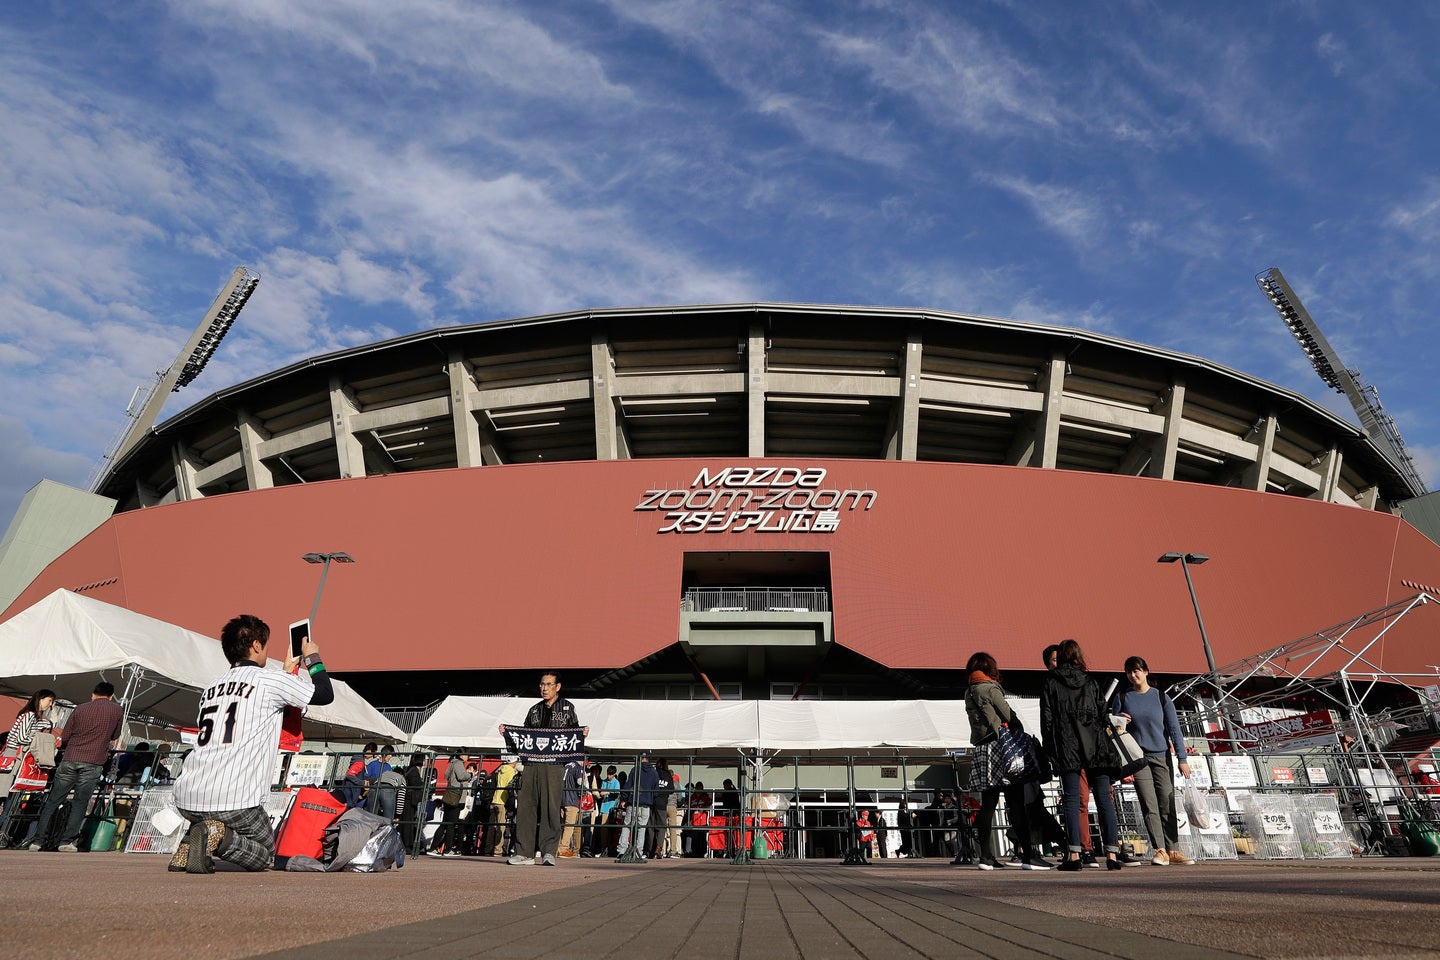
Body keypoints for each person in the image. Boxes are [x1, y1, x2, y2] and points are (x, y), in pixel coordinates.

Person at [167, 616, 334, 872]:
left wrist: (287, 672)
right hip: (234, 797)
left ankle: (187, 848)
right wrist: (312, 657)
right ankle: (216, 834)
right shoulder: (270, 680)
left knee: (210, 813)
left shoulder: (211, 687)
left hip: (187, 795)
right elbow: (324, 694)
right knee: (265, 853)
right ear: (256, 645)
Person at [1041, 638, 1125, 871]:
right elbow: (1103, 714)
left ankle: (1075, 856)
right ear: (1078, 656)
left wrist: (1051, 749)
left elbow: (1047, 719)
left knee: (1071, 800)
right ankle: (1112, 854)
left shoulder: (1051, 682)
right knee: (1104, 799)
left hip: (1067, 746)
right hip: (1096, 745)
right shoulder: (1090, 681)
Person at [964, 652, 1049, 870]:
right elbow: (1007, 714)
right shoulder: (990, 688)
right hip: (1003, 748)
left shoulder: (969, 691)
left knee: (988, 805)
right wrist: (1019, 729)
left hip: (983, 749)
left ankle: (985, 856)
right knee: (1016, 803)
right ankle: (1029, 856)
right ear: (990, 668)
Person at [499, 672, 588, 866]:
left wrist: (583, 734)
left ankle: (549, 851)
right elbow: (522, 738)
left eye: (549, 684)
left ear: (558, 686)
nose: (544, 688)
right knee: (525, 807)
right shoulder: (533, 710)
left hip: (555, 766)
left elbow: (574, 735)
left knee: (551, 808)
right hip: (531, 765)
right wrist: (507, 734)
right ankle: (524, 852)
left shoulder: (567, 708)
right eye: (542, 684)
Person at [23, 682, 123, 853]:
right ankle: (66, 841)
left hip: (71, 757)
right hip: (94, 760)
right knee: (80, 802)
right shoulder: (117, 710)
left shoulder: (80, 708)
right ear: (111, 696)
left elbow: (66, 735)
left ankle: (38, 841)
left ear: (93, 694)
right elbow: (115, 735)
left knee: (54, 800)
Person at [1113, 655, 1194, 866]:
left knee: (1167, 802)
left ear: (1146, 672)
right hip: (1138, 759)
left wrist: (1182, 758)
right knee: (1149, 804)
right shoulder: (1122, 697)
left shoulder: (1160, 697)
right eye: (1129, 672)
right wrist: (1119, 719)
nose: (1134, 675)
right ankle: (1160, 849)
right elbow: (1112, 728)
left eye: (1137, 670)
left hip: (1162, 756)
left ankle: (1173, 849)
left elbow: (1174, 729)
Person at [1044, 643, 1098, 866]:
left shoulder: (1062, 683)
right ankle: (1086, 849)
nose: (1058, 664)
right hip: (1084, 746)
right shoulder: (1076, 682)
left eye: (1060, 659)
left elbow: (1048, 720)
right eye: (1053, 661)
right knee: (1081, 800)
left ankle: (1081, 849)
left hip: (1071, 747)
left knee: (1079, 799)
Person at [1, 688, 56, 812]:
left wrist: (54, 710)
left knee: (9, 791)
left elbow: (53, 724)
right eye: (49, 700)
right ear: (41, 699)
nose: (50, 704)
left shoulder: (36, 718)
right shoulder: (30, 715)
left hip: (18, 755)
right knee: (6, 790)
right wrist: (35, 740)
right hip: (14, 754)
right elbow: (21, 737)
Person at [615, 750, 660, 860]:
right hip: (646, 804)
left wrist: (624, 798)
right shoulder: (654, 772)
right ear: (649, 759)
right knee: (641, 828)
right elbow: (656, 791)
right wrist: (651, 799)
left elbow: (628, 785)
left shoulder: (635, 770)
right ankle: (638, 852)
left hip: (633, 802)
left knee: (627, 826)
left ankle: (622, 850)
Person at [430, 751, 472, 857]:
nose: (468, 756)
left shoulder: (452, 763)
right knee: (451, 825)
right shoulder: (458, 764)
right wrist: (470, 774)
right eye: (467, 754)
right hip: (456, 798)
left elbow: (446, 776)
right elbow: (462, 776)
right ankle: (448, 849)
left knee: (444, 824)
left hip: (449, 796)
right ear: (462, 755)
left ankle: (433, 847)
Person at [485, 755, 519, 856]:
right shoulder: (512, 772)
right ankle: (497, 850)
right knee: (501, 827)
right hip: (502, 802)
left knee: (492, 827)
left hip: (494, 800)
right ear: (513, 763)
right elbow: (510, 788)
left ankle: (487, 849)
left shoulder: (500, 770)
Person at [558, 754, 587, 857]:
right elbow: (580, 781)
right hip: (571, 799)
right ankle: (563, 848)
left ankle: (558, 847)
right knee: (569, 826)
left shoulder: (566, 765)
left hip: (561, 798)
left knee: (561, 825)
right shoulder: (578, 767)